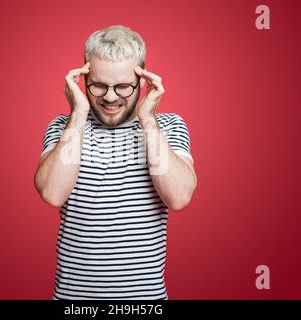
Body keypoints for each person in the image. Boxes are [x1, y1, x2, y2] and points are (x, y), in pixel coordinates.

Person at [34, 25, 197, 300]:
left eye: (123, 86)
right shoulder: (64, 128)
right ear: (83, 80)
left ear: (142, 80)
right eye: (98, 85)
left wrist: (148, 119)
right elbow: (52, 193)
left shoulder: (167, 127)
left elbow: (179, 198)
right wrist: (78, 114)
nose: (110, 97)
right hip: (74, 301)